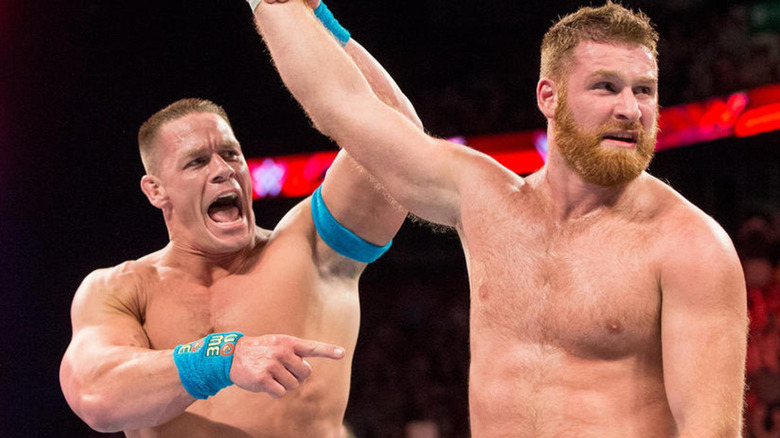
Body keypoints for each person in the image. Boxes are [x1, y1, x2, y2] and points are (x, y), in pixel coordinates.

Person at [257, 0, 749, 435]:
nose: (630, 109)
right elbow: (344, 106)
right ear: (549, 97)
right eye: (606, 87)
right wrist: (298, 10)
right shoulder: (488, 202)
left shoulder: (690, 246)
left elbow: (710, 430)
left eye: (644, 90)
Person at [58, 1, 424, 435]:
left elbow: (398, 141)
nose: (223, 169)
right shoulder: (121, 289)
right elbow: (95, 395)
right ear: (156, 190)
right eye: (197, 161)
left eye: (231, 154)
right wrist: (222, 359)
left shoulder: (310, 249)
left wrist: (313, 17)